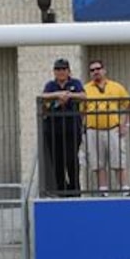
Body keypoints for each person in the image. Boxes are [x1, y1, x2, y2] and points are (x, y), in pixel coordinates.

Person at [83, 60, 130, 196]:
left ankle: (125, 190)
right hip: (93, 129)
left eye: (98, 69)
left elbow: (128, 105)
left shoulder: (116, 87)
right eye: (92, 70)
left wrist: (125, 124)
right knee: (98, 163)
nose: (95, 72)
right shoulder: (86, 89)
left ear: (104, 70)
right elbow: (81, 111)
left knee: (119, 161)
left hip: (113, 129)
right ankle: (103, 191)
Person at [41, 58, 85, 196]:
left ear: (68, 71)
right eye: (58, 69)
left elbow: (84, 96)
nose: (61, 72)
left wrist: (69, 95)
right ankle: (62, 192)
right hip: (54, 131)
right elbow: (42, 96)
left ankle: (75, 192)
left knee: (72, 161)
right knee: (57, 163)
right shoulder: (50, 85)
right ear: (54, 72)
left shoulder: (75, 83)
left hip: (72, 130)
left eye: (63, 69)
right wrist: (58, 95)